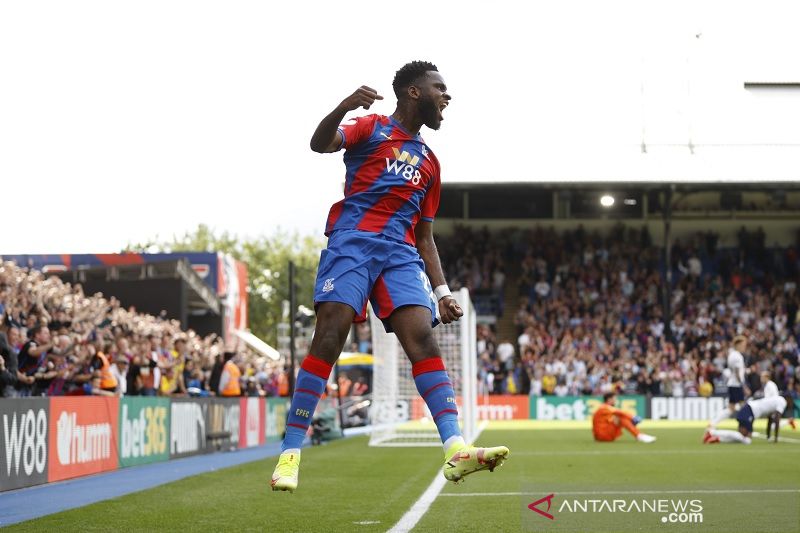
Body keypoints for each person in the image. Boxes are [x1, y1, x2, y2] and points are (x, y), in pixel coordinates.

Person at [271, 61, 509, 493]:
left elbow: (425, 234)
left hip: (400, 255)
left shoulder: (430, 163)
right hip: (353, 242)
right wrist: (343, 107)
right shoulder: (371, 127)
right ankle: (290, 454)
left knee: (422, 337)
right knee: (331, 333)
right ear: (413, 92)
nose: (447, 96)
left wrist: (442, 290)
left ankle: (455, 449)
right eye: (440, 87)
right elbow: (319, 144)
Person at [704, 394, 794, 444]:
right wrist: (776, 438)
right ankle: (712, 432)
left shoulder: (775, 400)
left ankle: (717, 438)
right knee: (747, 440)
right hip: (749, 411)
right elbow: (777, 420)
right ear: (788, 399)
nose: (790, 405)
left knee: (742, 438)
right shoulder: (782, 402)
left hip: (749, 409)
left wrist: (768, 436)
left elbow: (770, 420)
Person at [708, 335, 748, 429]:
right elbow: (738, 373)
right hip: (736, 385)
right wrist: (744, 386)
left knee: (731, 409)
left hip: (732, 384)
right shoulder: (737, 356)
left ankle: (713, 422)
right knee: (743, 407)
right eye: (743, 345)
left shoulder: (732, 354)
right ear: (738, 344)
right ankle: (745, 427)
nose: (744, 347)